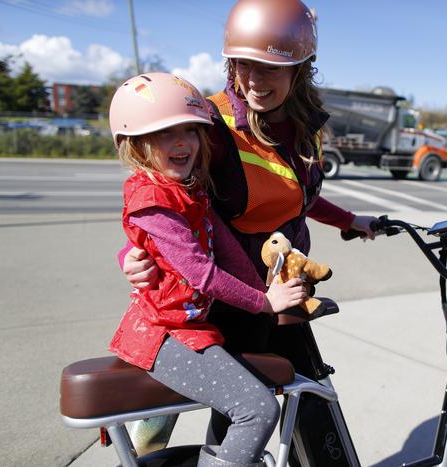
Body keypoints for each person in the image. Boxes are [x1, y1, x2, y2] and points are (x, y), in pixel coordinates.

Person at [121, 0, 377, 453]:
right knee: (214, 406)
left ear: (301, 68)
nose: (255, 81)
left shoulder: (305, 126)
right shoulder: (212, 121)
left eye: (270, 69)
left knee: (281, 396)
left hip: (280, 283)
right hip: (224, 292)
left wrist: (350, 220)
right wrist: (131, 257)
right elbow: (159, 199)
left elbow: (300, 196)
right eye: (244, 66)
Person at [108, 72, 309, 466]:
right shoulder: (154, 198)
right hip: (164, 332)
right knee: (257, 409)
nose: (183, 142)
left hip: (193, 325)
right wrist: (265, 302)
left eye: (190, 131)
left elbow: (229, 252)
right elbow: (200, 272)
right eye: (166, 133)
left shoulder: (190, 190)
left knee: (242, 407)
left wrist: (268, 293)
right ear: (135, 143)